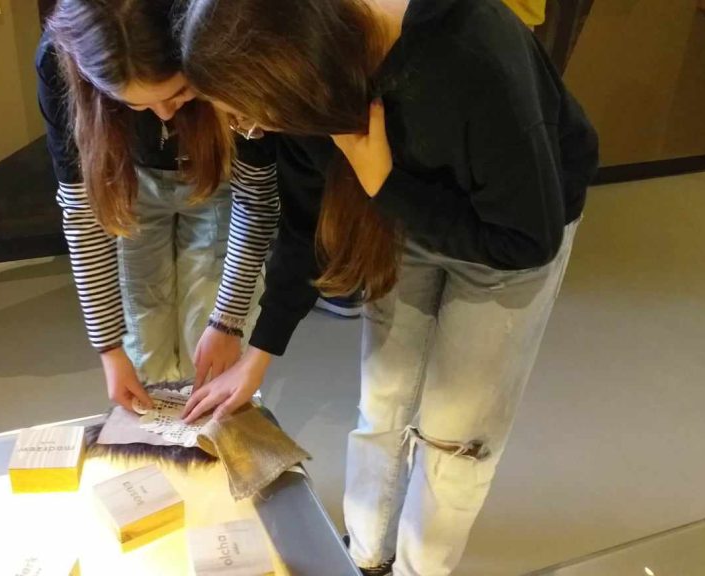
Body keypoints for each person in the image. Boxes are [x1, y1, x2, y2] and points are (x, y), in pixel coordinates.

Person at [178, 0, 598, 574]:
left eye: (248, 117)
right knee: (383, 400)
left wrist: (382, 183)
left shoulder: (472, 51)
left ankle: (420, 569)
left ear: (290, 72)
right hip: (399, 213)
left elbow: (525, 239)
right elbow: (304, 224)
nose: (251, 129)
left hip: (506, 233)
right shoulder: (311, 84)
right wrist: (258, 356)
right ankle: (365, 557)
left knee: (455, 438)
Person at [37, 0, 278, 411]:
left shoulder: (228, 31)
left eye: (180, 91)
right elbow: (83, 212)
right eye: (135, 104)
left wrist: (228, 321)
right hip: (130, 182)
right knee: (144, 339)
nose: (164, 114)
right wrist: (110, 350)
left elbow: (255, 200)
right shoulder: (58, 59)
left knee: (210, 336)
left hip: (221, 174)